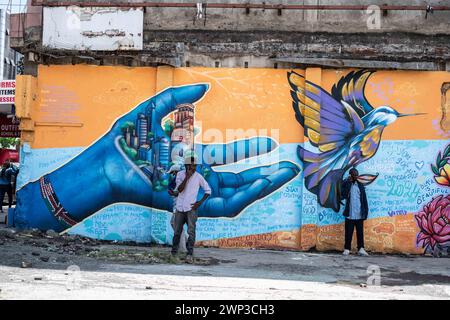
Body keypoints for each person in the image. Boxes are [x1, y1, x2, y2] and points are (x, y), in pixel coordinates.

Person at [171, 157, 211, 263]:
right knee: (177, 232)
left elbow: (208, 191)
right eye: (191, 166)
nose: (193, 168)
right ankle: (173, 253)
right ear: (186, 166)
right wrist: (187, 178)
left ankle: (189, 254)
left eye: (195, 166)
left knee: (191, 232)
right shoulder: (180, 175)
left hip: (191, 209)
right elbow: (180, 189)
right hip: (180, 208)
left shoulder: (199, 177)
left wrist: (199, 203)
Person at [341, 168, 369, 256]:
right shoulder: (347, 185)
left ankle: (361, 249)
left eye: (356, 175)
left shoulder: (360, 186)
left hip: (359, 214)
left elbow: (364, 199)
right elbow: (343, 194)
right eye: (354, 175)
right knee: (348, 232)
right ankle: (347, 249)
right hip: (350, 214)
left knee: (360, 233)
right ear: (350, 175)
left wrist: (365, 212)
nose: (356, 176)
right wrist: (347, 182)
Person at [167, 164, 188, 253]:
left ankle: (183, 248)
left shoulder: (179, 180)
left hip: (180, 206)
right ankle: (186, 240)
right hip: (178, 205)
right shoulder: (180, 180)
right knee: (174, 223)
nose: (172, 175)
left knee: (177, 225)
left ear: (176, 172)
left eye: (173, 173)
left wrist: (173, 192)